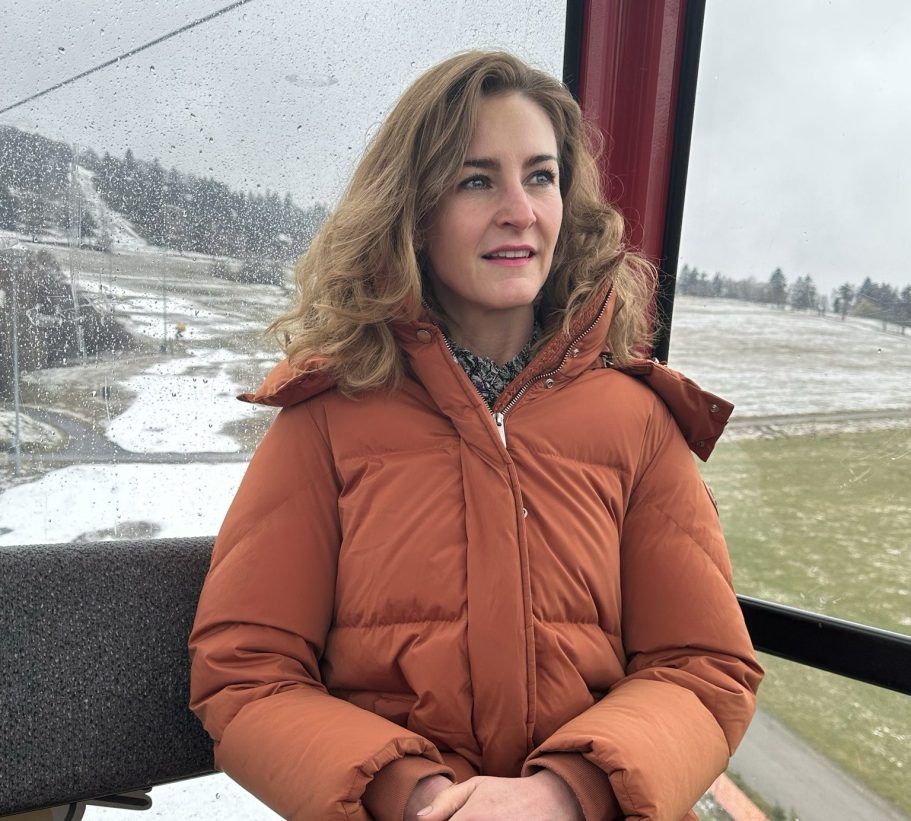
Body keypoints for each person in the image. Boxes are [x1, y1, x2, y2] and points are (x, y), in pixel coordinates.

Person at [189, 50, 762, 821]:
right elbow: (246, 672)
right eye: (476, 180)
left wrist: (566, 793)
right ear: (414, 212)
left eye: (540, 176)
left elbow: (704, 665)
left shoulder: (639, 422)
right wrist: (413, 796)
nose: (519, 210)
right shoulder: (325, 420)